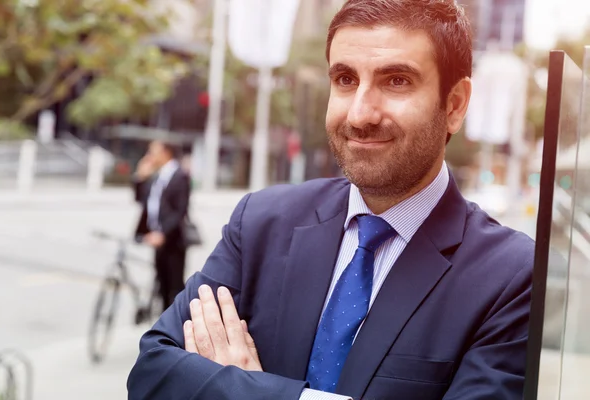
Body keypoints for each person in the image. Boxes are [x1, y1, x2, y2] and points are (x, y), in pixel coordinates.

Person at [127, 1, 535, 399]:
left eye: (396, 81)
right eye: (345, 79)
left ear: (455, 105)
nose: (360, 114)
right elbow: (154, 374)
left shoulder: (510, 278)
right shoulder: (260, 224)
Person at [133, 140, 191, 312]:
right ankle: (163, 323)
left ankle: (176, 328)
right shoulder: (157, 176)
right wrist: (140, 178)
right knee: (161, 282)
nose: (149, 156)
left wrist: (163, 233)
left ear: (166, 153)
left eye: (153, 152)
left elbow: (180, 210)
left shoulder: (180, 175)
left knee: (174, 286)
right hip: (155, 237)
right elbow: (141, 200)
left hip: (173, 240)